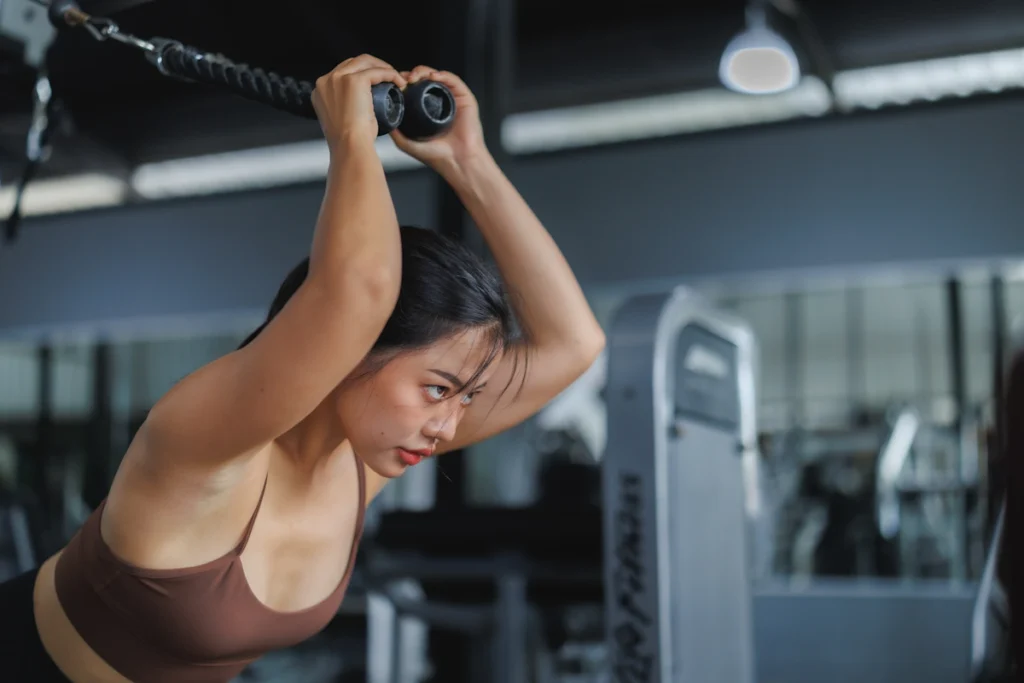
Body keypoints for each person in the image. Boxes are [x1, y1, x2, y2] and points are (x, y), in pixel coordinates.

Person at [0, 53, 605, 683]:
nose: (449, 427)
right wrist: (351, 141)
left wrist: (468, 162)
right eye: (436, 389)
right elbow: (358, 291)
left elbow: (574, 344)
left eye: (463, 397)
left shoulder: (360, 464)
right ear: (353, 351)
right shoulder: (206, 445)